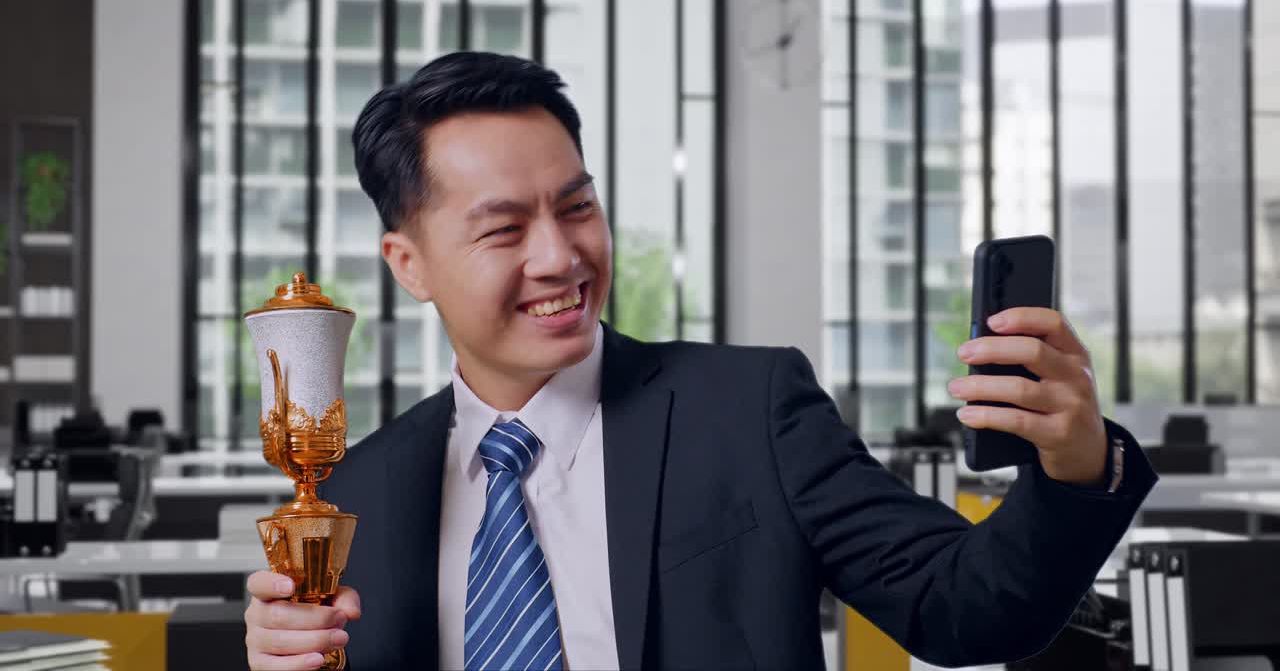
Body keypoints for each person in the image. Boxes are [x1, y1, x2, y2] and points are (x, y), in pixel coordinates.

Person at [243, 52, 1156, 671]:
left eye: (578, 207)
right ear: (410, 266)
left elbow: (969, 612)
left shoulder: (749, 409)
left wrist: (1075, 465)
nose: (561, 257)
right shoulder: (356, 492)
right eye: (505, 230)